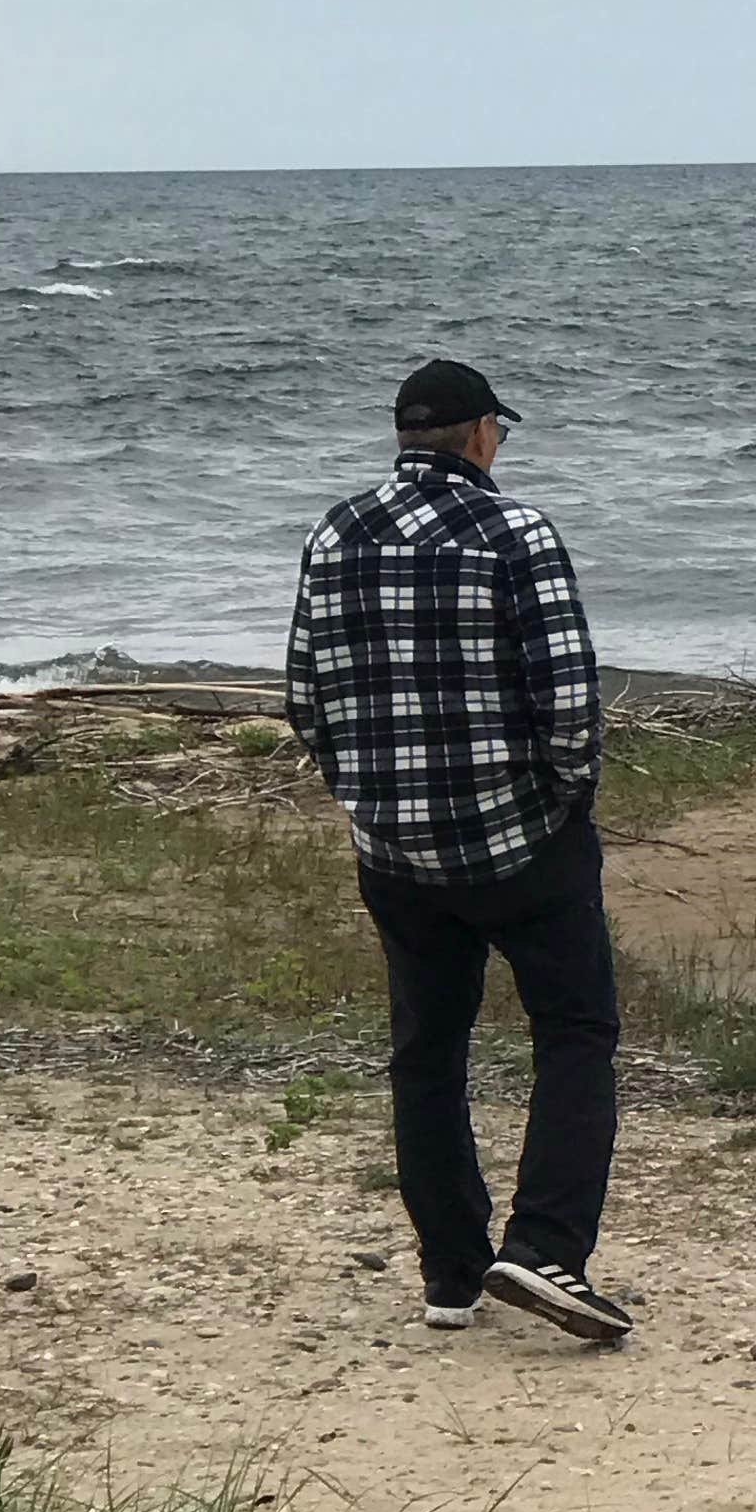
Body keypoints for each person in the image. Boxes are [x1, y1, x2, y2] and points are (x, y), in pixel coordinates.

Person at [286, 357, 631, 1345]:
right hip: (521, 841)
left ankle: (450, 1274)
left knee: (426, 1052)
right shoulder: (515, 530)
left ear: (406, 439)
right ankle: (544, 1246)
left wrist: (370, 798)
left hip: (393, 851)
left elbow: (306, 700)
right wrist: (565, 804)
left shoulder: (336, 531)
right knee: (575, 1031)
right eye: (499, 435)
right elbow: (570, 702)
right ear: (481, 436)